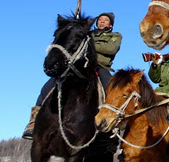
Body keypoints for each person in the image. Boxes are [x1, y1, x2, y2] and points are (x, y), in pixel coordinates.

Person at [22, 12, 122, 140]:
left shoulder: (115, 36)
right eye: (100, 19)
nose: (102, 21)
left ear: (111, 25)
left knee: (111, 88)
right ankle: (34, 120)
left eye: (106, 20)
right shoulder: (87, 33)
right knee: (50, 84)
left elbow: (111, 49)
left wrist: (85, 42)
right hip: (80, 64)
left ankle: (114, 123)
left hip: (100, 66)